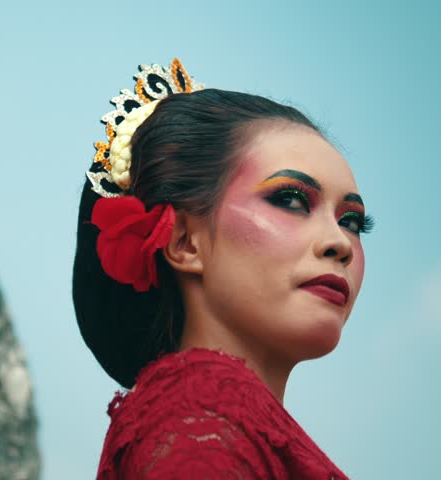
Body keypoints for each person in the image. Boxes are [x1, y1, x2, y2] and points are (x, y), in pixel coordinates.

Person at [73, 58, 373, 479]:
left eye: (352, 222)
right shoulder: (197, 424)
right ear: (184, 242)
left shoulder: (217, 426)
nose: (340, 243)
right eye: (291, 200)